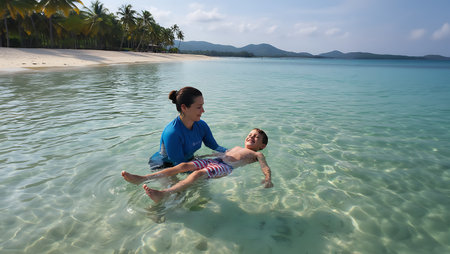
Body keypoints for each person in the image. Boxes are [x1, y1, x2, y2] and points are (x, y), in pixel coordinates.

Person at [122, 128, 273, 203]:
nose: (251, 137)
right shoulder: (235, 147)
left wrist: (268, 179)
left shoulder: (257, 154)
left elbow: (265, 167)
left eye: (256, 137)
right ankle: (143, 178)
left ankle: (165, 193)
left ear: (262, 145)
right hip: (214, 161)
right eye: (251, 134)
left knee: (198, 174)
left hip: (226, 167)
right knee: (183, 166)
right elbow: (219, 154)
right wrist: (203, 157)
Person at [149, 86, 227, 169]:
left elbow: (216, 147)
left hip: (187, 161)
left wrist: (232, 152)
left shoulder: (202, 126)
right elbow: (179, 166)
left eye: (202, 106)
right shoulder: (172, 133)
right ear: (184, 108)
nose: (203, 110)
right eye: (198, 107)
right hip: (163, 165)